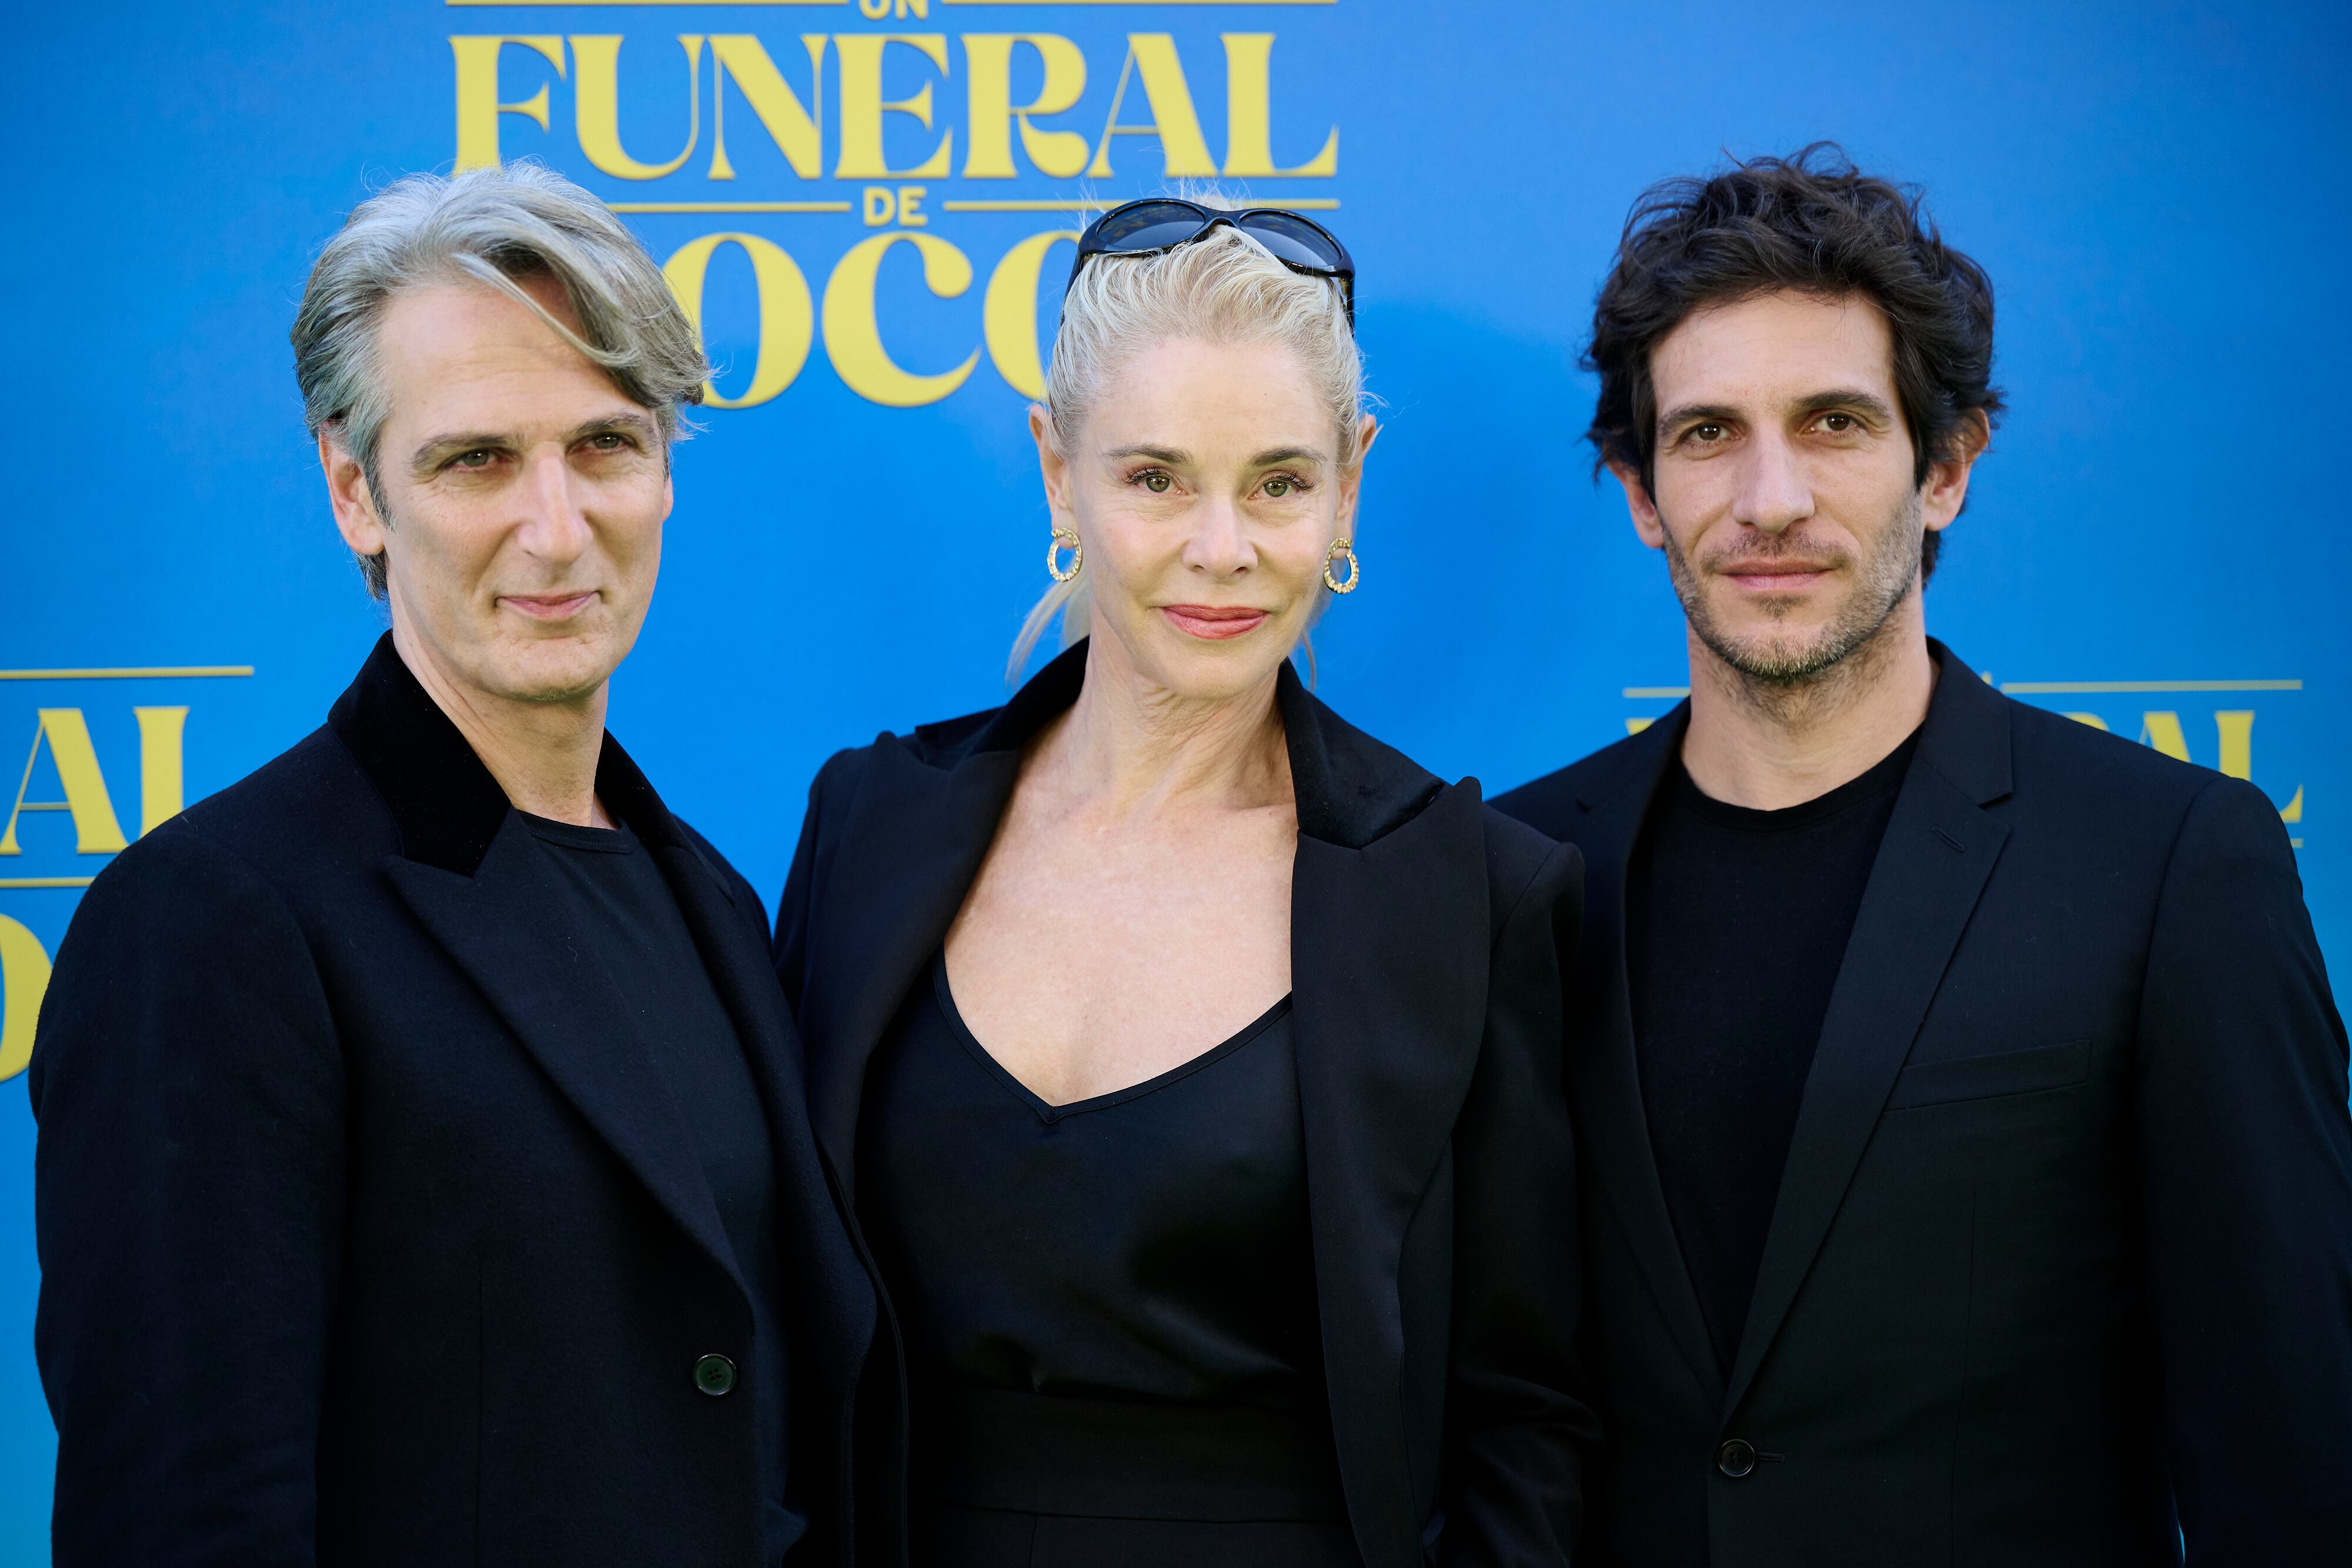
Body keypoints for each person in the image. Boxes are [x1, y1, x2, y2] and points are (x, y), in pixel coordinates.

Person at [1495, 145, 2352, 1564]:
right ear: (1640, 491)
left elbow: (2292, 1448)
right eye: (1707, 434)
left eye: (1831, 423)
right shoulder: (1509, 867)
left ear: (1944, 466)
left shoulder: (2167, 864)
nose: (1769, 500)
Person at [29, 163, 879, 1566]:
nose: (555, 528)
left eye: (603, 445)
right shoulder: (216, 918)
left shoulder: (711, 899)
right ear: (356, 491)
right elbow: (187, 1518)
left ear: (664, 468)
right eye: (475, 458)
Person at [773, 199, 1596, 1568]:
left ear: (1349, 482)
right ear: (1055, 467)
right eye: (1153, 477)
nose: (1221, 547)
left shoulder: (1464, 891)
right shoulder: (869, 821)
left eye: (1277, 481)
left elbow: (1525, 1416)